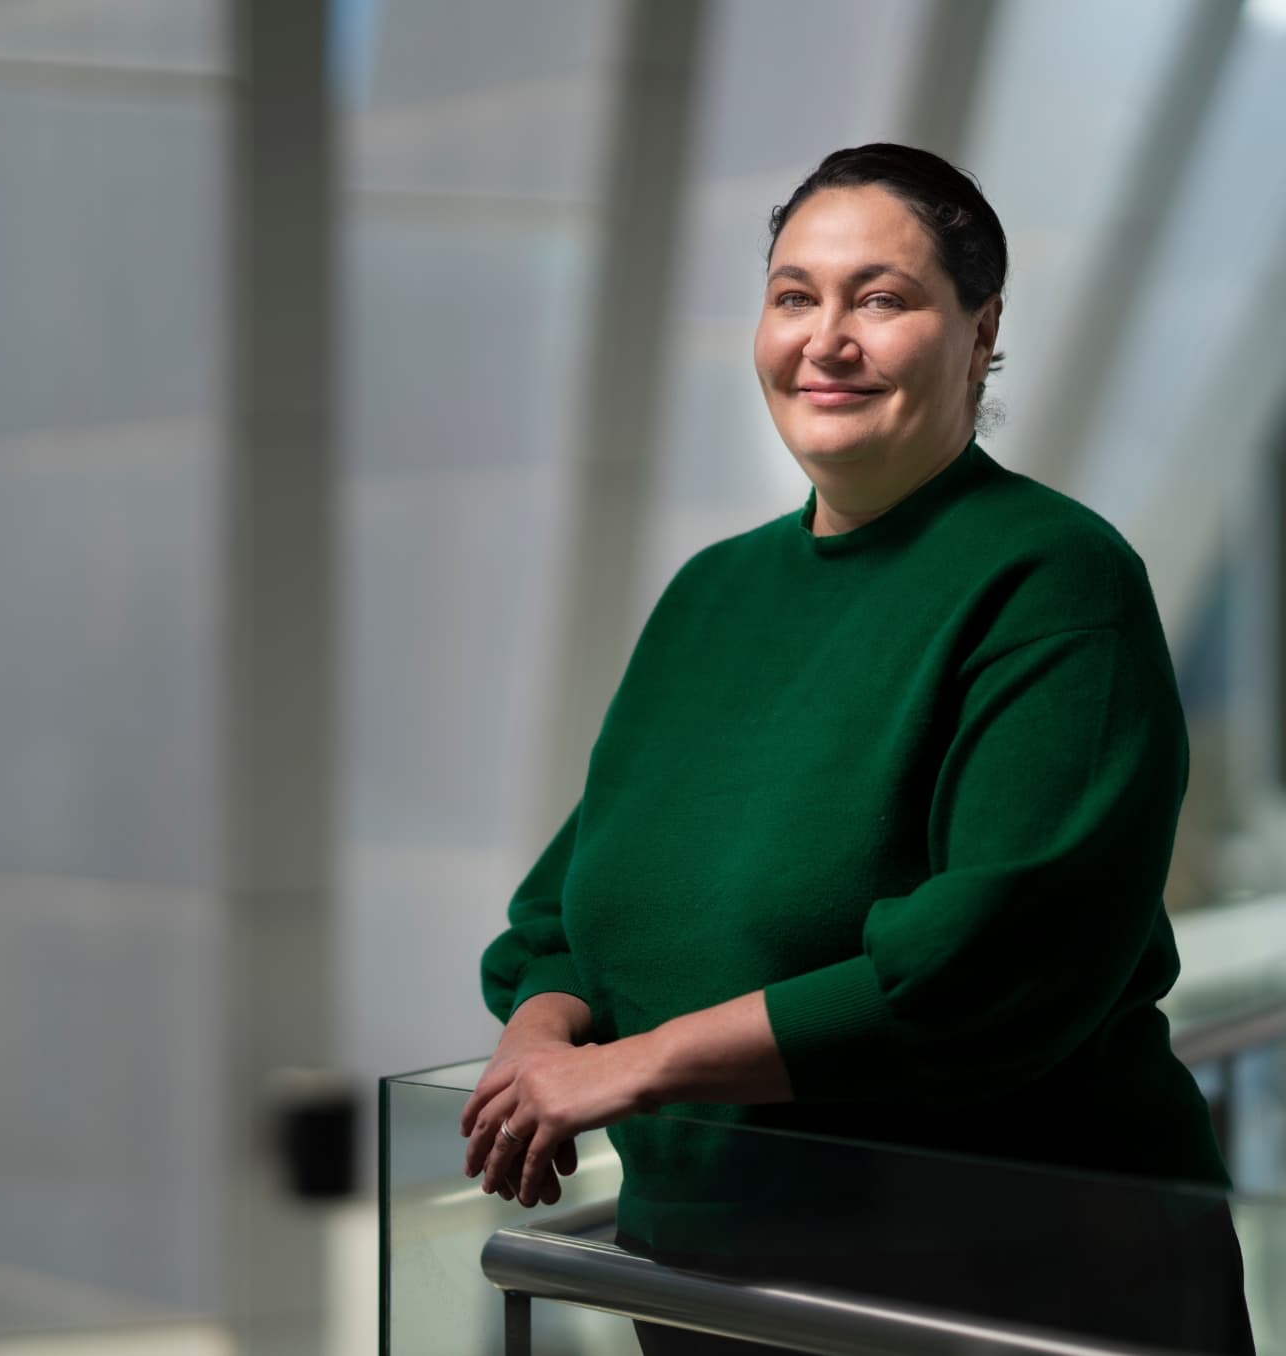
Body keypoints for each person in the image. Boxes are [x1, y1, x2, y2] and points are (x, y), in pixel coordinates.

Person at [459, 144, 1253, 1353]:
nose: (826, 338)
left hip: (1006, 1285)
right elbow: (563, 920)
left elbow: (984, 970)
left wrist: (639, 1069)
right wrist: (538, 1051)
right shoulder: (710, 596)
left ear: (981, 332)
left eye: (880, 298)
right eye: (795, 296)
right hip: (707, 1284)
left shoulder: (1057, 581)